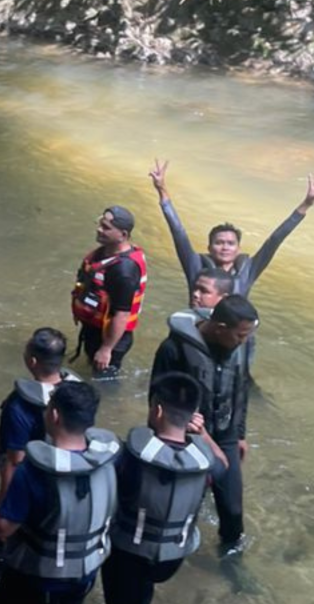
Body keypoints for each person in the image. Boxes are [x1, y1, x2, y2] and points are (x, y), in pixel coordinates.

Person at [0, 381, 120, 604]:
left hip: (37, 581)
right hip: (85, 575)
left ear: (54, 414)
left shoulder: (35, 471)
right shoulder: (107, 461)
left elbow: (3, 528)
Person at [101, 372, 229, 604]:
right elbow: (224, 464)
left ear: (157, 410)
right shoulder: (204, 464)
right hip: (174, 556)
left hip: (130, 552)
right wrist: (203, 434)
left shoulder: (129, 455)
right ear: (193, 415)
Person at [150, 295, 259, 554]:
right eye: (240, 335)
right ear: (220, 329)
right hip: (187, 437)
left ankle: (232, 562)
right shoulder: (173, 349)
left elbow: (240, 390)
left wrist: (240, 434)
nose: (244, 341)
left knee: (232, 510)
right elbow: (157, 401)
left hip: (226, 434)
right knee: (187, 504)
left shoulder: (238, 346)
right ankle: (175, 555)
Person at [149, 159, 314, 301]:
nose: (225, 247)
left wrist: (306, 204)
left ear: (238, 249)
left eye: (230, 243)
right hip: (199, 332)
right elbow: (178, 232)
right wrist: (162, 190)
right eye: (219, 243)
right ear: (209, 248)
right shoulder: (196, 265)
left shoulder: (248, 269)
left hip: (232, 337)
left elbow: (275, 239)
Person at [0, 327, 80, 572]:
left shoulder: (19, 406)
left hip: (28, 492)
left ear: (32, 361)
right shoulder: (76, 394)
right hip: (65, 488)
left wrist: (2, 514)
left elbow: (14, 461)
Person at [71, 206, 148, 379]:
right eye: (100, 224)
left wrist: (106, 349)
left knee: (103, 382)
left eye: (106, 228)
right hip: (96, 330)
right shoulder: (106, 253)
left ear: (123, 235)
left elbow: (122, 314)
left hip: (111, 338)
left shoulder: (124, 271)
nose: (99, 229)